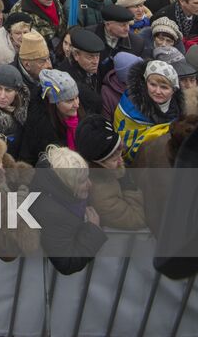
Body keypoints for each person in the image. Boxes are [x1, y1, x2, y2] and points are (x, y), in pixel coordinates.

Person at [30, 145, 107, 276]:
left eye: (87, 177)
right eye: (82, 181)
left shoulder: (56, 186)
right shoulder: (53, 214)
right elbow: (67, 263)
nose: (90, 184)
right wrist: (93, 230)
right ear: (67, 184)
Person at [74, 115, 146, 229]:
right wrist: (128, 185)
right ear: (98, 162)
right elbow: (137, 219)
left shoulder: (109, 169)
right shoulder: (101, 197)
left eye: (120, 152)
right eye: (114, 159)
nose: (121, 160)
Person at [114, 59, 185, 162]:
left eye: (164, 87)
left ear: (173, 90)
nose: (157, 91)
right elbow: (123, 148)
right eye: (153, 85)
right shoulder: (129, 107)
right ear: (145, 82)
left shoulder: (178, 109)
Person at [19, 69, 83, 165]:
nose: (76, 105)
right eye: (69, 101)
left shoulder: (85, 116)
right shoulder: (39, 129)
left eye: (76, 97)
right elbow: (27, 160)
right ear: (54, 103)